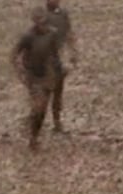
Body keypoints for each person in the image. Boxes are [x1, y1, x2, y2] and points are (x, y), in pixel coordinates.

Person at [12, 7, 61, 151]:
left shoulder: (52, 34)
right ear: (35, 23)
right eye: (40, 23)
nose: (43, 26)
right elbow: (15, 55)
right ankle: (32, 137)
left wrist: (57, 71)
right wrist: (20, 70)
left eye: (45, 22)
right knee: (39, 105)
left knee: (43, 108)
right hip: (32, 75)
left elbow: (54, 54)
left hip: (47, 74)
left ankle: (35, 134)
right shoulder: (28, 37)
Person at [45, 0, 78, 133]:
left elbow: (69, 34)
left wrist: (73, 53)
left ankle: (57, 122)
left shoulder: (63, 15)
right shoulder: (42, 15)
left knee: (58, 92)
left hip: (58, 58)